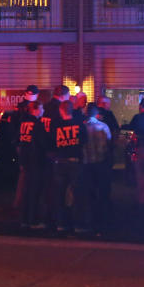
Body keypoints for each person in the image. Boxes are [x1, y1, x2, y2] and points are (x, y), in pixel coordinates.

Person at [46, 99, 83, 234]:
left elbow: (51, 143)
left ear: (61, 111)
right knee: (77, 194)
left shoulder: (56, 126)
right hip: (75, 162)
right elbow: (84, 141)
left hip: (60, 162)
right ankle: (78, 225)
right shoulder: (79, 124)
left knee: (60, 194)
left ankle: (61, 224)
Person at [78, 103, 112, 235]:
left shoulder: (82, 127)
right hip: (101, 164)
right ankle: (102, 221)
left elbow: (79, 144)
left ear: (87, 113)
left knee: (89, 194)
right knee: (102, 194)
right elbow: (109, 144)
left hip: (87, 164)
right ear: (97, 113)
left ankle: (89, 221)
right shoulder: (103, 126)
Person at [15, 100, 49, 229]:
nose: (43, 111)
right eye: (41, 108)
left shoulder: (23, 123)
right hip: (36, 161)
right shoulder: (37, 124)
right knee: (35, 191)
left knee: (26, 191)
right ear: (35, 110)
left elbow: (20, 141)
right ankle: (33, 220)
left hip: (26, 160)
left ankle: (24, 219)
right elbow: (42, 143)